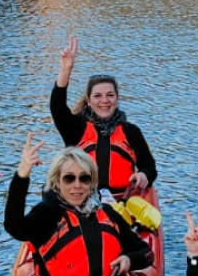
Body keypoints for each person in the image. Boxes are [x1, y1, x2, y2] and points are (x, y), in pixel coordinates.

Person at [4, 134, 153, 276]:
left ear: (92, 182)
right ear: (57, 182)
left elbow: (146, 254)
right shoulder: (47, 214)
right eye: (69, 178)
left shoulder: (107, 213)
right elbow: (14, 227)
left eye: (84, 178)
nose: (77, 185)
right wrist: (22, 175)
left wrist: (129, 260)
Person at [51, 37, 157, 195]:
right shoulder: (75, 127)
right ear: (89, 100)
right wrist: (65, 71)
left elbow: (149, 167)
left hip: (122, 201)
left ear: (117, 98)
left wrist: (143, 175)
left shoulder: (131, 131)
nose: (105, 101)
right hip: (82, 199)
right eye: (98, 96)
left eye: (110, 95)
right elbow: (57, 107)